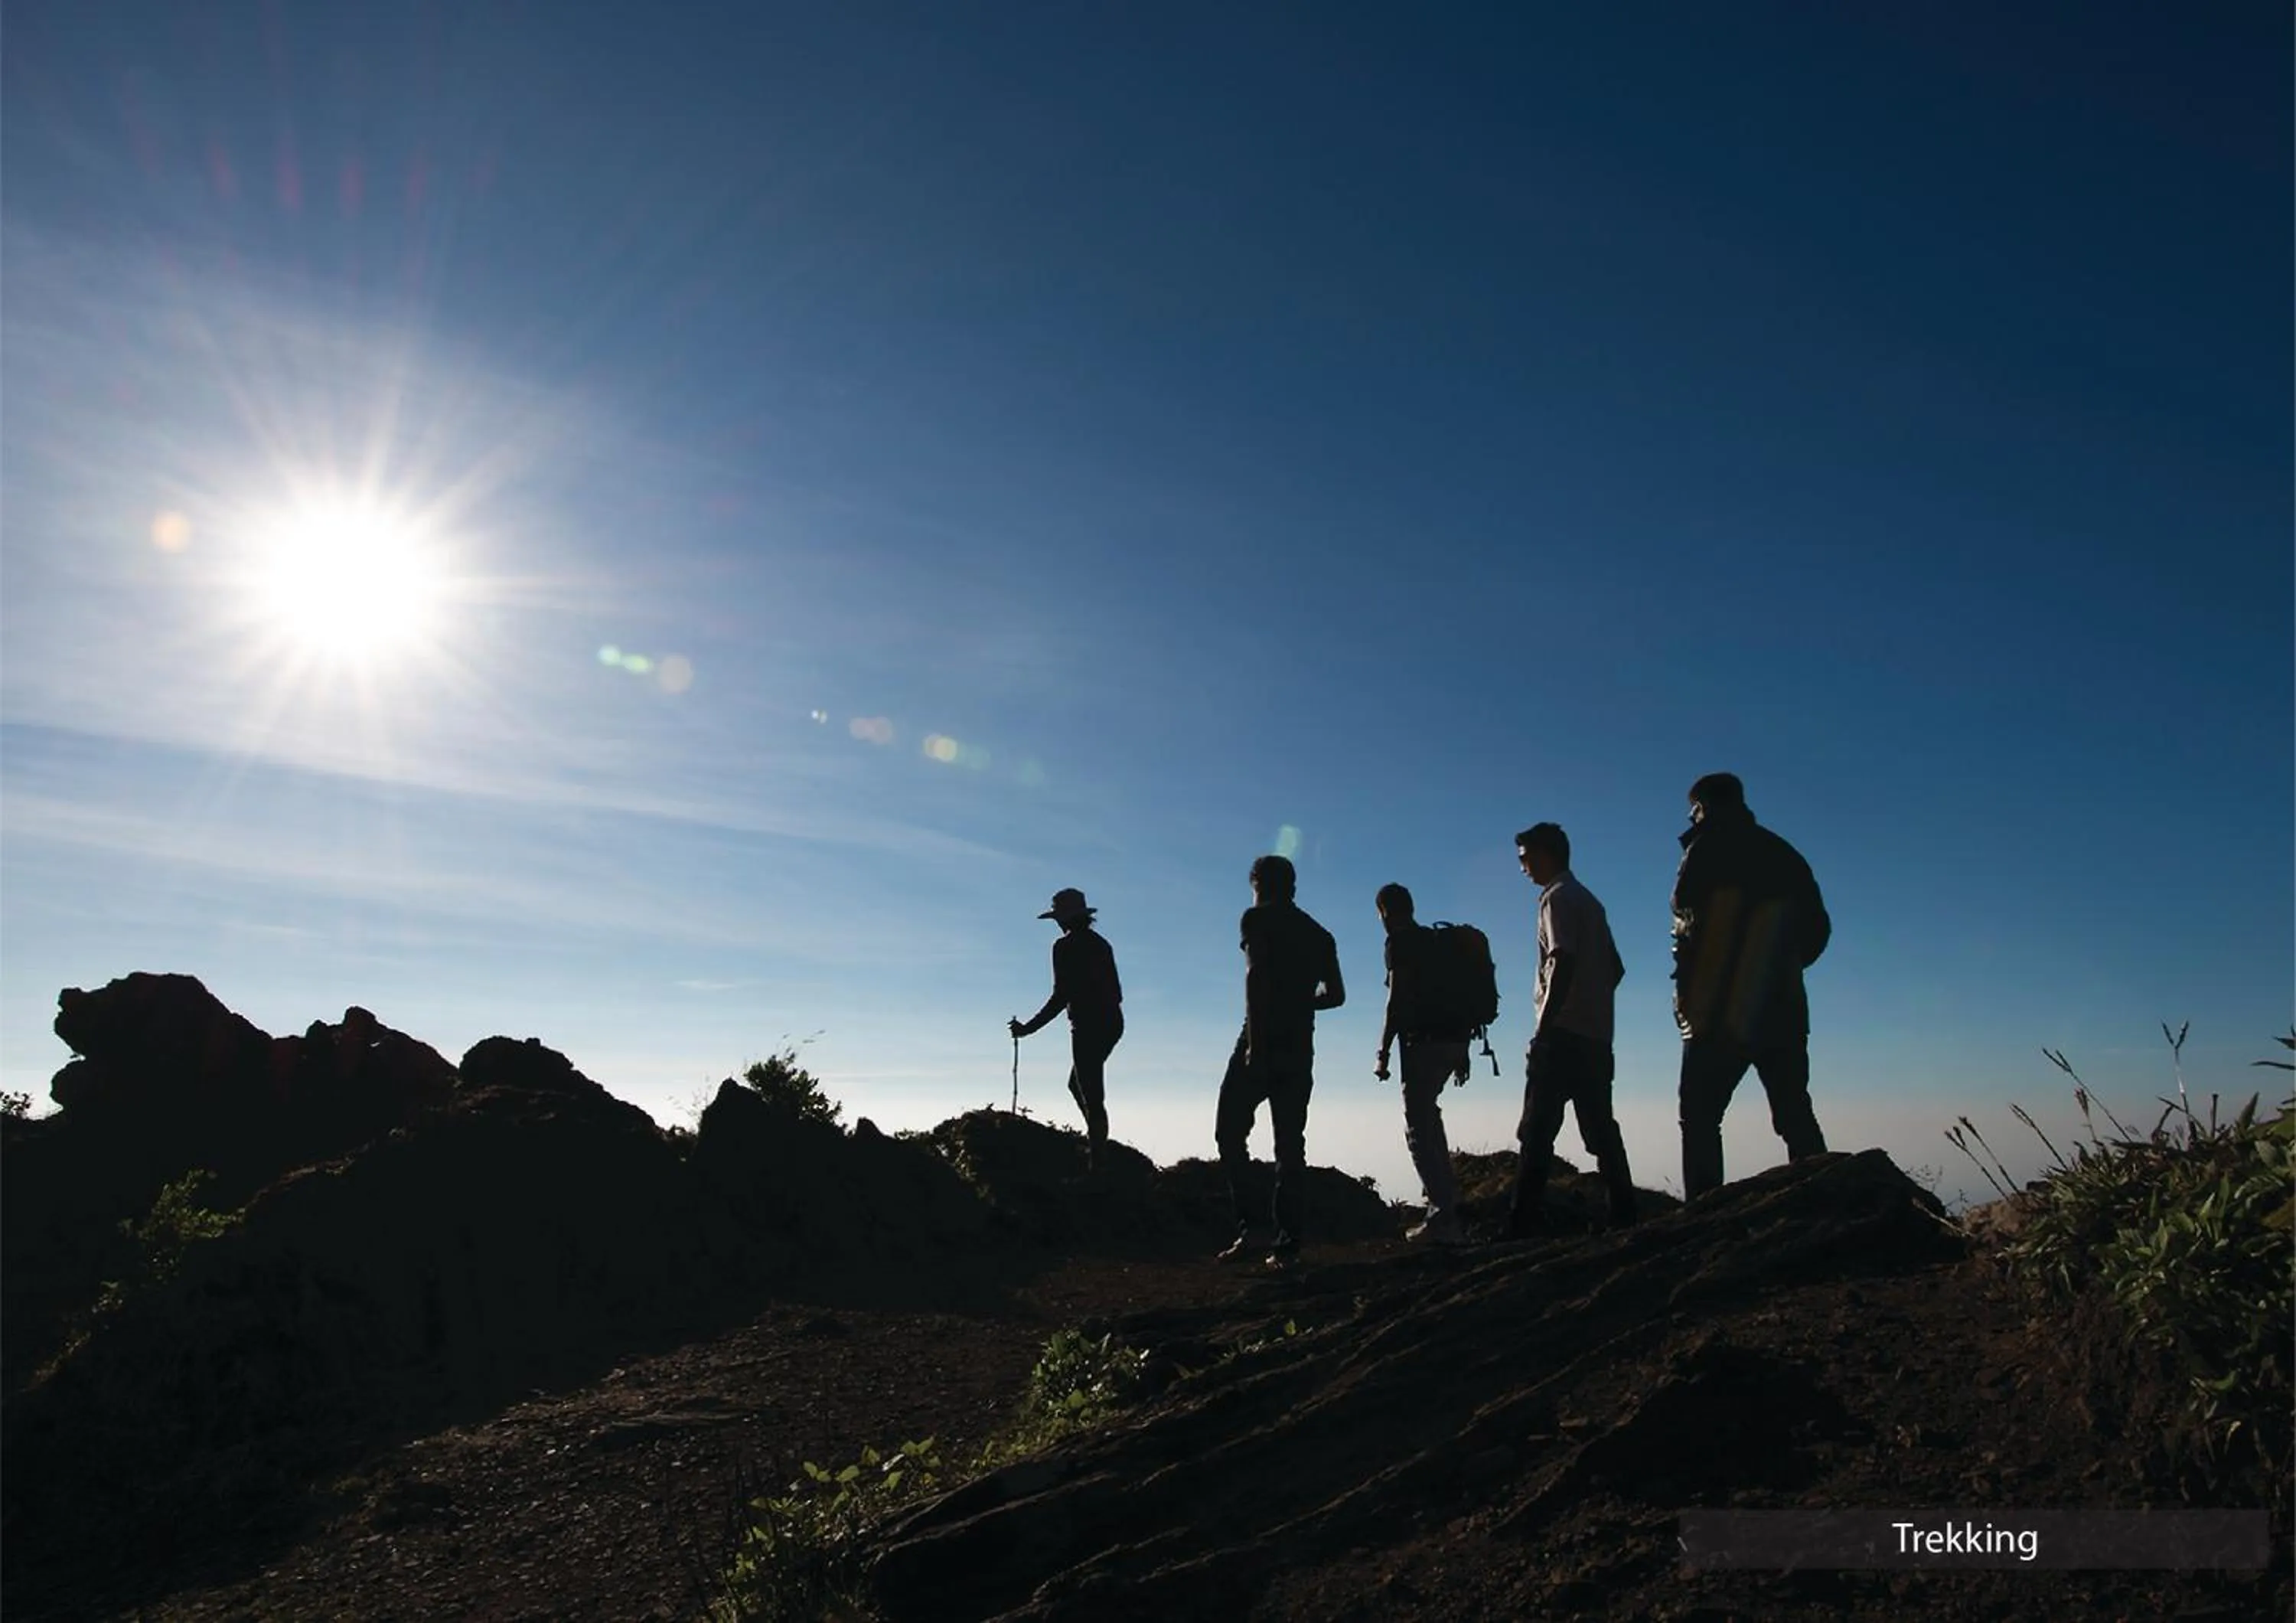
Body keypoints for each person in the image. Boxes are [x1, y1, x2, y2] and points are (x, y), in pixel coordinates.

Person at [1670, 772, 1831, 1199]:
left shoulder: (1705, 850)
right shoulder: (1784, 853)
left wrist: (1692, 992)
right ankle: (1827, 1201)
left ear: (1704, 806)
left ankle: (1704, 1216)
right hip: (1784, 1005)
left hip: (1720, 1011)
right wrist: (1781, 969)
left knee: (1700, 1117)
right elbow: (1819, 930)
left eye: (1694, 811)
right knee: (1794, 1111)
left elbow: (1688, 926)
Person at [1503, 822, 1637, 1236]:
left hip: (1561, 1035)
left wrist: (1545, 1029)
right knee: (1600, 1129)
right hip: (1597, 1035)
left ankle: (1520, 1225)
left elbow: (1561, 958)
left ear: (1545, 854)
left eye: (1525, 858)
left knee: (1537, 1130)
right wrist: (1593, 1004)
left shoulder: (1556, 900)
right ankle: (1626, 1213)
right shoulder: (1590, 901)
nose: (1522, 867)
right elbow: (1615, 968)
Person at [1215, 854, 1344, 1266]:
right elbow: (1336, 996)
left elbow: (1254, 979)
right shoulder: (1320, 934)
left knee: (1230, 1132)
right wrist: (1300, 1002)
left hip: (1260, 1038)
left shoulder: (1257, 920)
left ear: (1259, 883)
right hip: (1300, 1044)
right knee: (1290, 1145)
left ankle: (1253, 1232)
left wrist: (1255, 1043)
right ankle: (1288, 1246)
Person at [1371, 883, 1468, 1244]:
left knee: (1419, 1127)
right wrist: (1464, 1052)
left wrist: (1382, 1050)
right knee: (1429, 1118)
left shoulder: (1399, 943)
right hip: (1454, 1041)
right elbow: (1454, 996)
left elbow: (1396, 1001)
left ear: (1384, 912)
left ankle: (1443, 1217)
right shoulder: (1436, 941)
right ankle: (1445, 1205)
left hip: (1423, 1043)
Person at [1009, 888, 1124, 1167]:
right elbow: (1116, 993)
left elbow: (1061, 995)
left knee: (1089, 1090)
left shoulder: (1064, 947)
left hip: (1087, 1025)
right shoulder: (1101, 944)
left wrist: (1028, 1028)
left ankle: (1098, 1160)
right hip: (1112, 1022)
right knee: (1082, 1085)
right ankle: (1098, 1148)